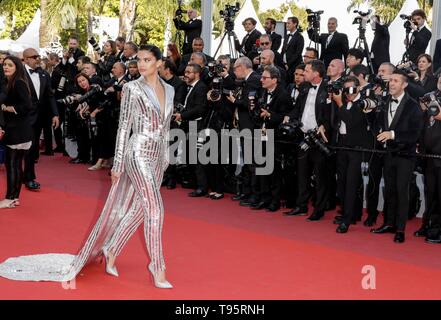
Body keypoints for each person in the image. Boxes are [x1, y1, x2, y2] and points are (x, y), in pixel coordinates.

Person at [0, 45, 174, 289]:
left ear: (159, 63)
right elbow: (124, 127)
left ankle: (112, 248)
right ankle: (158, 266)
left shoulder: (170, 89)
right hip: (138, 153)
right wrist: (119, 163)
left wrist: (166, 155)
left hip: (158, 156)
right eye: (139, 60)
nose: (142, 64)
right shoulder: (132, 88)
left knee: (139, 209)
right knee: (156, 209)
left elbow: (165, 127)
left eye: (147, 60)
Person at [371, 70, 424, 243]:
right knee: (389, 190)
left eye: (395, 81)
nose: (391, 83)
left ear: (404, 84)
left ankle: (400, 229)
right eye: (390, 80)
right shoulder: (385, 101)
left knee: (402, 191)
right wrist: (379, 132)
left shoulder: (413, 106)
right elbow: (379, 124)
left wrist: (392, 134)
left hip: (405, 156)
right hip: (389, 154)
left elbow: (415, 134)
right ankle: (389, 223)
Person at [22, 48, 59, 191]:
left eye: (38, 56)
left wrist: (55, 114)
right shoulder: (19, 74)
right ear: (25, 59)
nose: (37, 59)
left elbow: (50, 96)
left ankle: (29, 178)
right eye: (33, 56)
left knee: (32, 148)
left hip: (38, 118)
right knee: (17, 149)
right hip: (21, 118)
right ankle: (19, 175)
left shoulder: (44, 74)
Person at [0, 56, 33, 209]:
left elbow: (27, 106)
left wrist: (8, 108)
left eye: (10, 65)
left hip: (17, 129)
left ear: (17, 67)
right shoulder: (11, 82)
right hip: (19, 129)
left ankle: (10, 198)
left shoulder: (18, 82)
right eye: (4, 65)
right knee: (16, 164)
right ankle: (14, 198)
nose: (6, 67)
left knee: (12, 164)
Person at [281, 16, 304, 84]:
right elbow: (283, 50)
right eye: (286, 23)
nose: (287, 25)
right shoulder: (286, 36)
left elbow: (298, 53)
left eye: (289, 23)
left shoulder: (300, 37)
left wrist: (288, 64)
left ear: (295, 24)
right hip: (284, 66)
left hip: (293, 66)